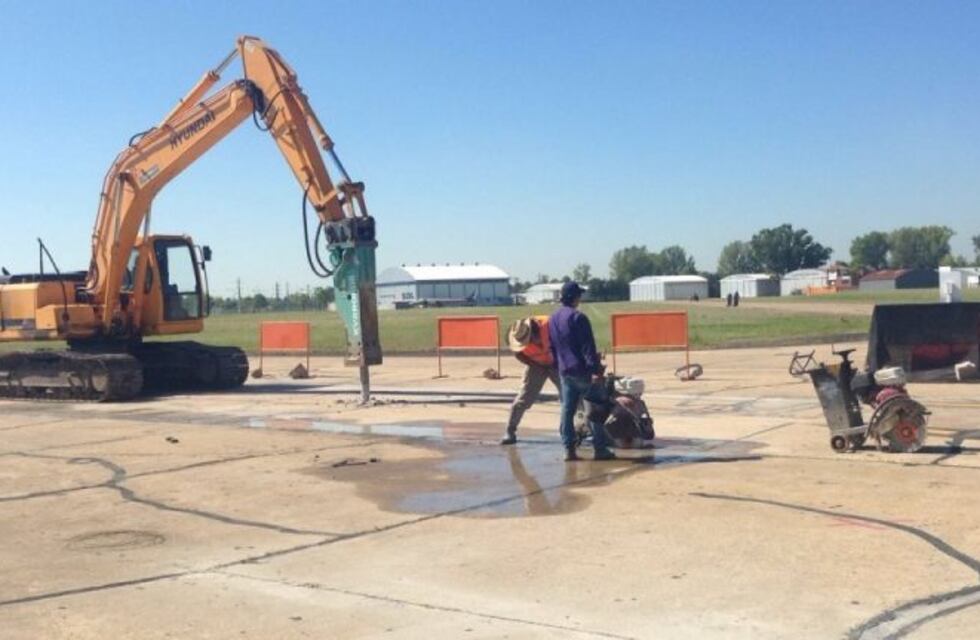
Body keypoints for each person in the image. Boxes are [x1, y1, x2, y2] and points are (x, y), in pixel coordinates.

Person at [549, 281, 616, 461]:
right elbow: (588, 347)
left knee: (567, 410)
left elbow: (552, 347)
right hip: (583, 371)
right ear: (575, 297)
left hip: (565, 371)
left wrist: (559, 366)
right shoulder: (579, 318)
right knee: (595, 409)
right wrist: (595, 370)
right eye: (579, 295)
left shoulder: (553, 319)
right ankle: (600, 449)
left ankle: (569, 449)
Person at [500, 316, 560, 445]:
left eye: (530, 339)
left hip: (557, 364)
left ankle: (578, 428)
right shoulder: (516, 337)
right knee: (524, 398)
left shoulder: (550, 326)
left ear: (534, 331)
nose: (529, 343)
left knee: (570, 397)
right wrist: (535, 365)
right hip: (536, 365)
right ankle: (510, 431)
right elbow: (519, 355)